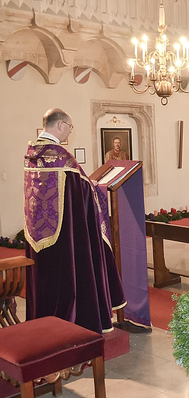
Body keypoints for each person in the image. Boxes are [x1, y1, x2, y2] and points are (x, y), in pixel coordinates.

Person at [24, 108, 127, 333]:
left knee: (45, 281)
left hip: (38, 238)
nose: (70, 132)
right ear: (60, 125)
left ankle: (41, 326)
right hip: (64, 238)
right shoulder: (62, 158)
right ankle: (73, 327)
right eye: (70, 127)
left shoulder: (32, 154)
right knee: (66, 280)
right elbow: (84, 191)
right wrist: (98, 189)